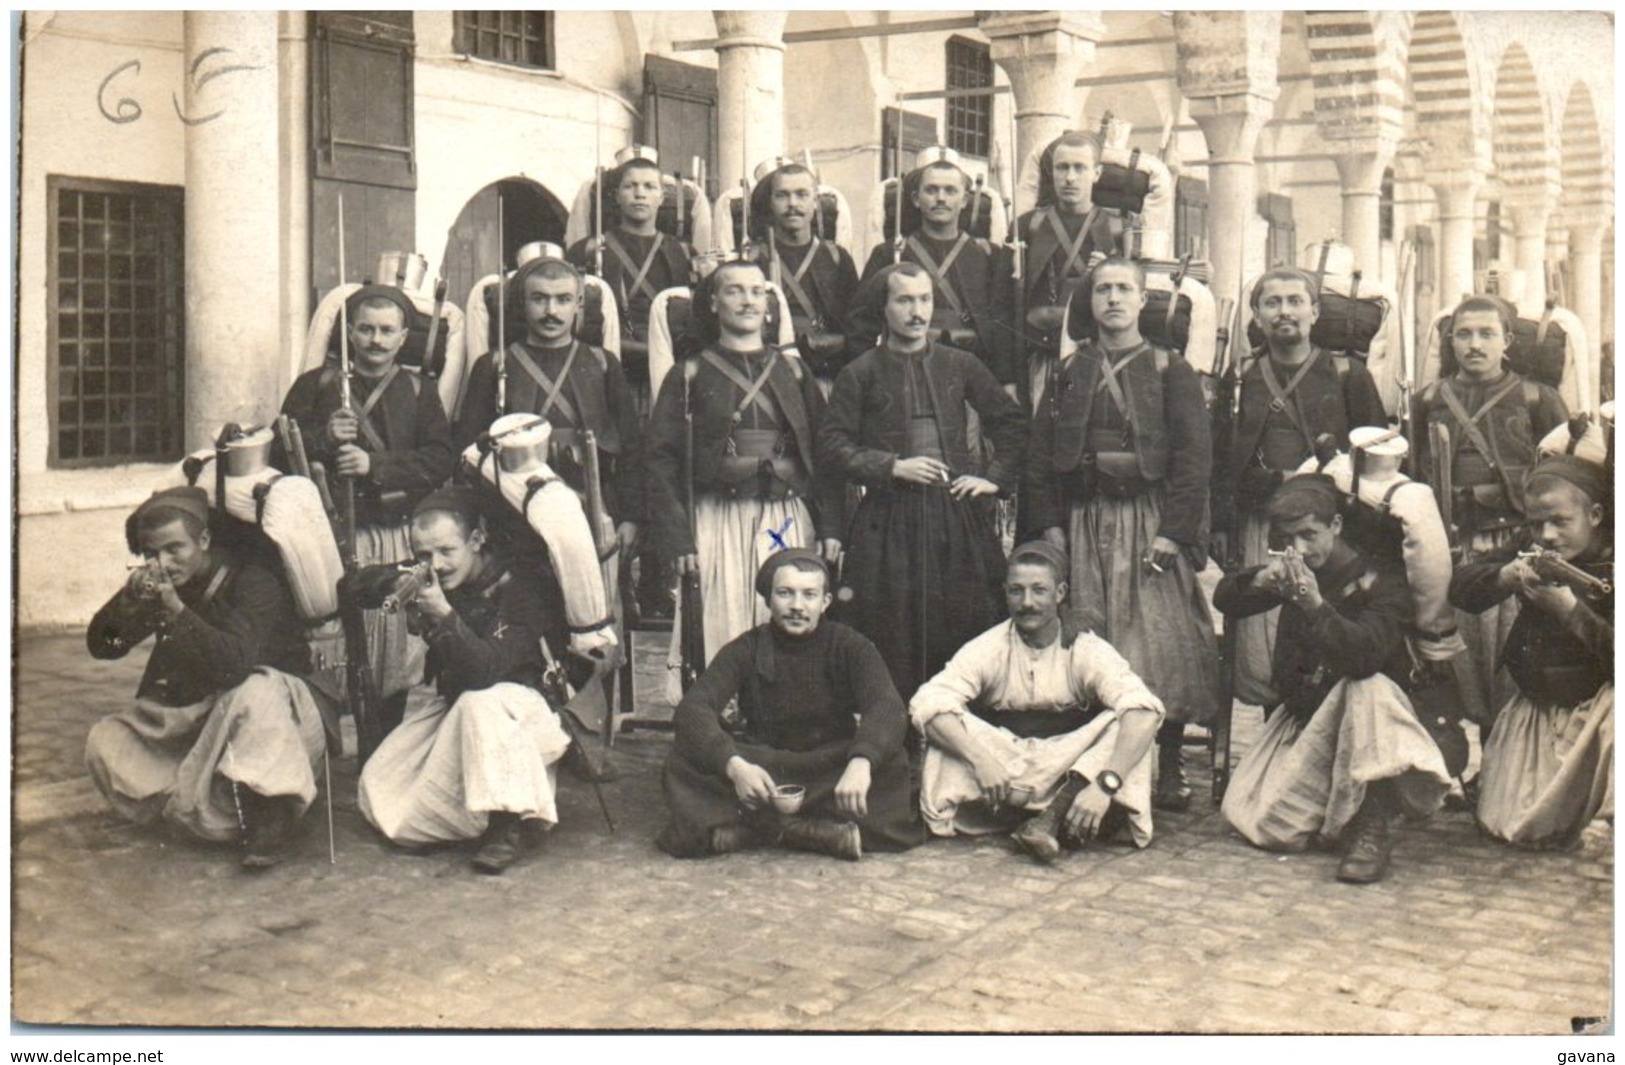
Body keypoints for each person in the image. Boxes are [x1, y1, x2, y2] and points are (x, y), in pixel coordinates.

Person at [1025, 257, 1222, 811]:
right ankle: (1096, 762)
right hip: (1085, 519)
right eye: (1103, 290)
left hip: (1149, 521)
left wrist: (1174, 532)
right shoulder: (1068, 370)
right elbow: (1040, 457)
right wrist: (1049, 529)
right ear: (1089, 303)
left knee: (1161, 640)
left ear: (1142, 301)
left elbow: (1193, 458)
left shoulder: (1169, 369)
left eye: (1124, 290)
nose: (1113, 299)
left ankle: (1170, 764)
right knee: (1093, 638)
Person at [1217, 476, 1451, 884]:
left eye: (1310, 534)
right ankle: (1341, 808)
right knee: (1271, 826)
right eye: (1289, 538)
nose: (1301, 549)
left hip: (1374, 724)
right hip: (1310, 722)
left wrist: (1314, 606)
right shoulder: (1298, 569)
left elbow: (1362, 656)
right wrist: (1261, 580)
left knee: (1368, 686)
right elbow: (1226, 596)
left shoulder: (1383, 581)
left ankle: (1372, 818)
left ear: (1337, 526)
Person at [85, 487, 330, 868]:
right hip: (201, 721)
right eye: (150, 553)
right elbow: (105, 646)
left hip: (270, 722)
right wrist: (128, 603)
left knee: (255, 689)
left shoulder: (254, 580)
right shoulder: (162, 583)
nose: (161, 562)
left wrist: (176, 612)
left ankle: (267, 813)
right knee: (106, 741)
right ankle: (205, 807)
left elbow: (234, 664)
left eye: (173, 549)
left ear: (203, 540)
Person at [822, 262, 1027, 701]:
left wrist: (991, 479)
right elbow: (832, 446)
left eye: (925, 299)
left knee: (963, 622)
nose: (917, 311)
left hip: (955, 516)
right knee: (890, 625)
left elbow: (1010, 423)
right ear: (884, 307)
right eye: (905, 300)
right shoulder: (860, 372)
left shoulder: (961, 364)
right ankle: (897, 735)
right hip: (886, 520)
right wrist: (891, 466)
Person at [356, 488, 575, 874]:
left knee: (481, 703)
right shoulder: (437, 575)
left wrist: (445, 618)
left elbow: (486, 671)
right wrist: (395, 581)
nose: (435, 565)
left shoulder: (522, 586)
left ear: (476, 540)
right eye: (423, 555)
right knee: (381, 787)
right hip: (462, 710)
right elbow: (350, 586)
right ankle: (478, 814)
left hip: (522, 713)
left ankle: (509, 823)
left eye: (446, 551)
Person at [657, 549, 922, 860]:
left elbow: (886, 707)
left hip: (830, 767)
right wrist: (735, 765)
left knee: (894, 765)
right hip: (763, 770)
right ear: (769, 600)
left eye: (809, 595)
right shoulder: (746, 648)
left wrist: (862, 762)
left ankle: (757, 829)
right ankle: (812, 831)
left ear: (825, 602)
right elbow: (694, 708)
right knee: (681, 761)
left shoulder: (852, 646)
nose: (797, 606)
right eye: (785, 593)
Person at [645, 258, 843, 673]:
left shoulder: (793, 370)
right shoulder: (690, 373)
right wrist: (678, 538)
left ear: (769, 306)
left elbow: (825, 454)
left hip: (785, 514)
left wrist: (830, 526)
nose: (748, 301)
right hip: (718, 515)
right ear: (714, 302)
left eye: (757, 292)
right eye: (734, 291)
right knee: (723, 620)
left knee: (790, 615)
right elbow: (661, 459)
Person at [910, 542, 1165, 862]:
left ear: (1060, 593)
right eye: (1016, 591)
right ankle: (1041, 820)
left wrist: (1105, 785)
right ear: (1005, 593)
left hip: (1069, 767)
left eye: (1039, 591)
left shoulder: (1085, 647)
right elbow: (928, 701)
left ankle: (1053, 816)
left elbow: (1142, 707)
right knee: (943, 722)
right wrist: (980, 760)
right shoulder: (990, 645)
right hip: (1006, 766)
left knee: (1129, 722)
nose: (1027, 602)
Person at [1218, 267, 1388, 710]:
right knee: (1266, 644)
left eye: (1295, 301)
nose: (1284, 312)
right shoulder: (1240, 379)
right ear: (1256, 315)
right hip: (1263, 524)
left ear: (1315, 311)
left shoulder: (1348, 374)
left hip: (1329, 532)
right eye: (1271, 303)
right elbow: (1224, 463)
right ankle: (1279, 732)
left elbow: (1376, 461)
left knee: (1325, 630)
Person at [280, 283, 456, 702]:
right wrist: (322, 436)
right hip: (333, 536)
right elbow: (278, 447)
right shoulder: (316, 385)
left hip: (395, 533)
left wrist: (374, 465)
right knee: (334, 642)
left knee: (391, 650)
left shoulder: (419, 391)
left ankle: (382, 737)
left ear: (401, 336)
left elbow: (439, 458)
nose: (376, 340)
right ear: (350, 334)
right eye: (365, 329)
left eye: (386, 330)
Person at [1413, 295, 1569, 728]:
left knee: (1509, 661)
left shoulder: (1538, 398)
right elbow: (1413, 472)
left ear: (1508, 341)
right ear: (1451, 342)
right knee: (1457, 661)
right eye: (1464, 334)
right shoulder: (1428, 400)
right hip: (1448, 546)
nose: (1474, 344)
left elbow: (1564, 475)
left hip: (1512, 545)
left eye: (1487, 334)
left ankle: (1504, 763)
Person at [1450, 456, 1613, 848]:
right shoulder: (1532, 544)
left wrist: (1571, 612)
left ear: (1594, 514)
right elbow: (1461, 587)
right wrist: (1506, 575)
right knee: (1512, 828)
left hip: (1603, 707)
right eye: (1537, 523)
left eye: (1560, 521)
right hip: (1540, 705)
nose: (1548, 534)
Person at [569, 145, 695, 621]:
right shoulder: (590, 251)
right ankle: (620, 580)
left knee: (662, 466)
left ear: (663, 196)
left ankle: (661, 580)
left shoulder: (680, 253)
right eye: (630, 186)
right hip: (612, 377)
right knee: (621, 466)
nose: (640, 194)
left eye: (650, 186)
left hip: (660, 376)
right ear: (615, 195)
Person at [454, 253, 644, 559]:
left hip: (593, 505)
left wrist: (631, 517)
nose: (551, 311)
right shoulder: (493, 365)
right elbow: (467, 453)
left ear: (578, 304)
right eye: (539, 299)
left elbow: (632, 445)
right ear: (521, 303)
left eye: (563, 299)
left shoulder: (602, 363)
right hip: (515, 511)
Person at [849, 147, 1017, 390]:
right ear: (916, 199)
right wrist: (867, 380)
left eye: (950, 191)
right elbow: (861, 322)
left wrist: (1005, 380)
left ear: (964, 200)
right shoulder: (890, 253)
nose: (940, 198)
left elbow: (1002, 323)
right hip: (905, 373)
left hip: (970, 374)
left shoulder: (987, 255)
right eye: (931, 190)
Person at [1013, 131, 1120, 405]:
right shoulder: (1027, 226)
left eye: (1079, 168)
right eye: (1062, 168)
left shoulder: (1117, 230)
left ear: (1096, 173)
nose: (1069, 177)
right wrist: (1007, 376)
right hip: (1038, 357)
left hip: (1098, 360)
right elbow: (1003, 303)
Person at [749, 159, 861, 390]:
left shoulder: (836, 258)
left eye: (801, 194)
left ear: (815, 202)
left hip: (822, 372)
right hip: (766, 376)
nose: (792, 204)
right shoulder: (752, 259)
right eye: (782, 195)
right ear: (771, 202)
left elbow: (854, 325)